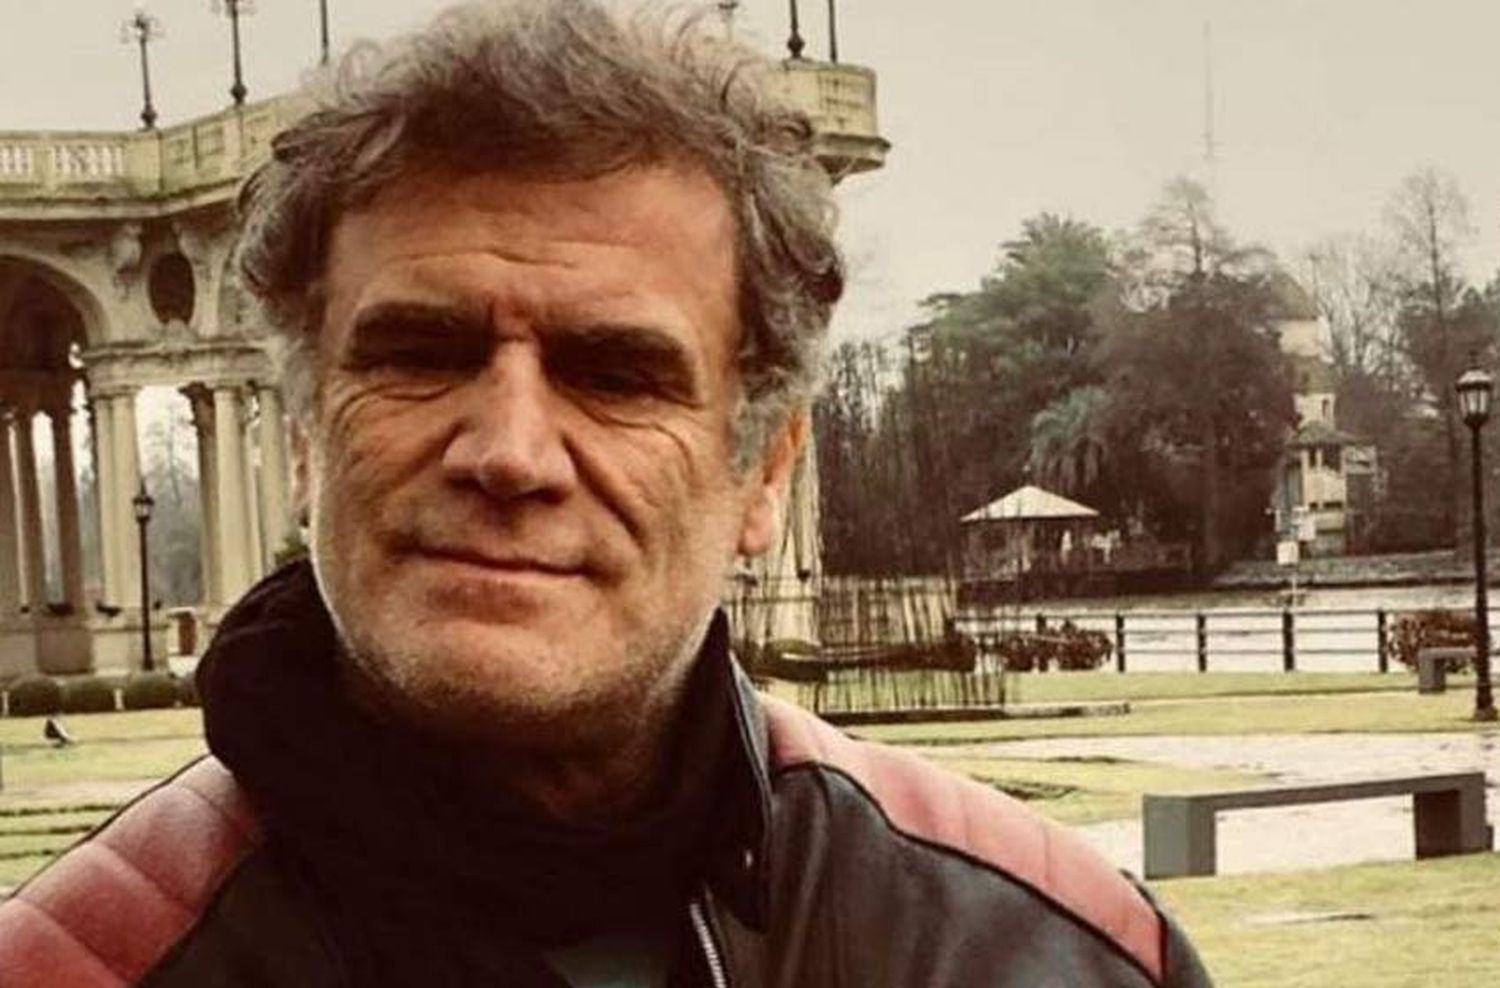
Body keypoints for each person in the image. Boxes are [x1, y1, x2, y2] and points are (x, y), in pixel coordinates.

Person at [0, 2, 1211, 985]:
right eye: (421, 354)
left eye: (616, 373)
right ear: (307, 434)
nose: (511, 452)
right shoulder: (80, 963)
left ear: (764, 470)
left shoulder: (1057, 952)